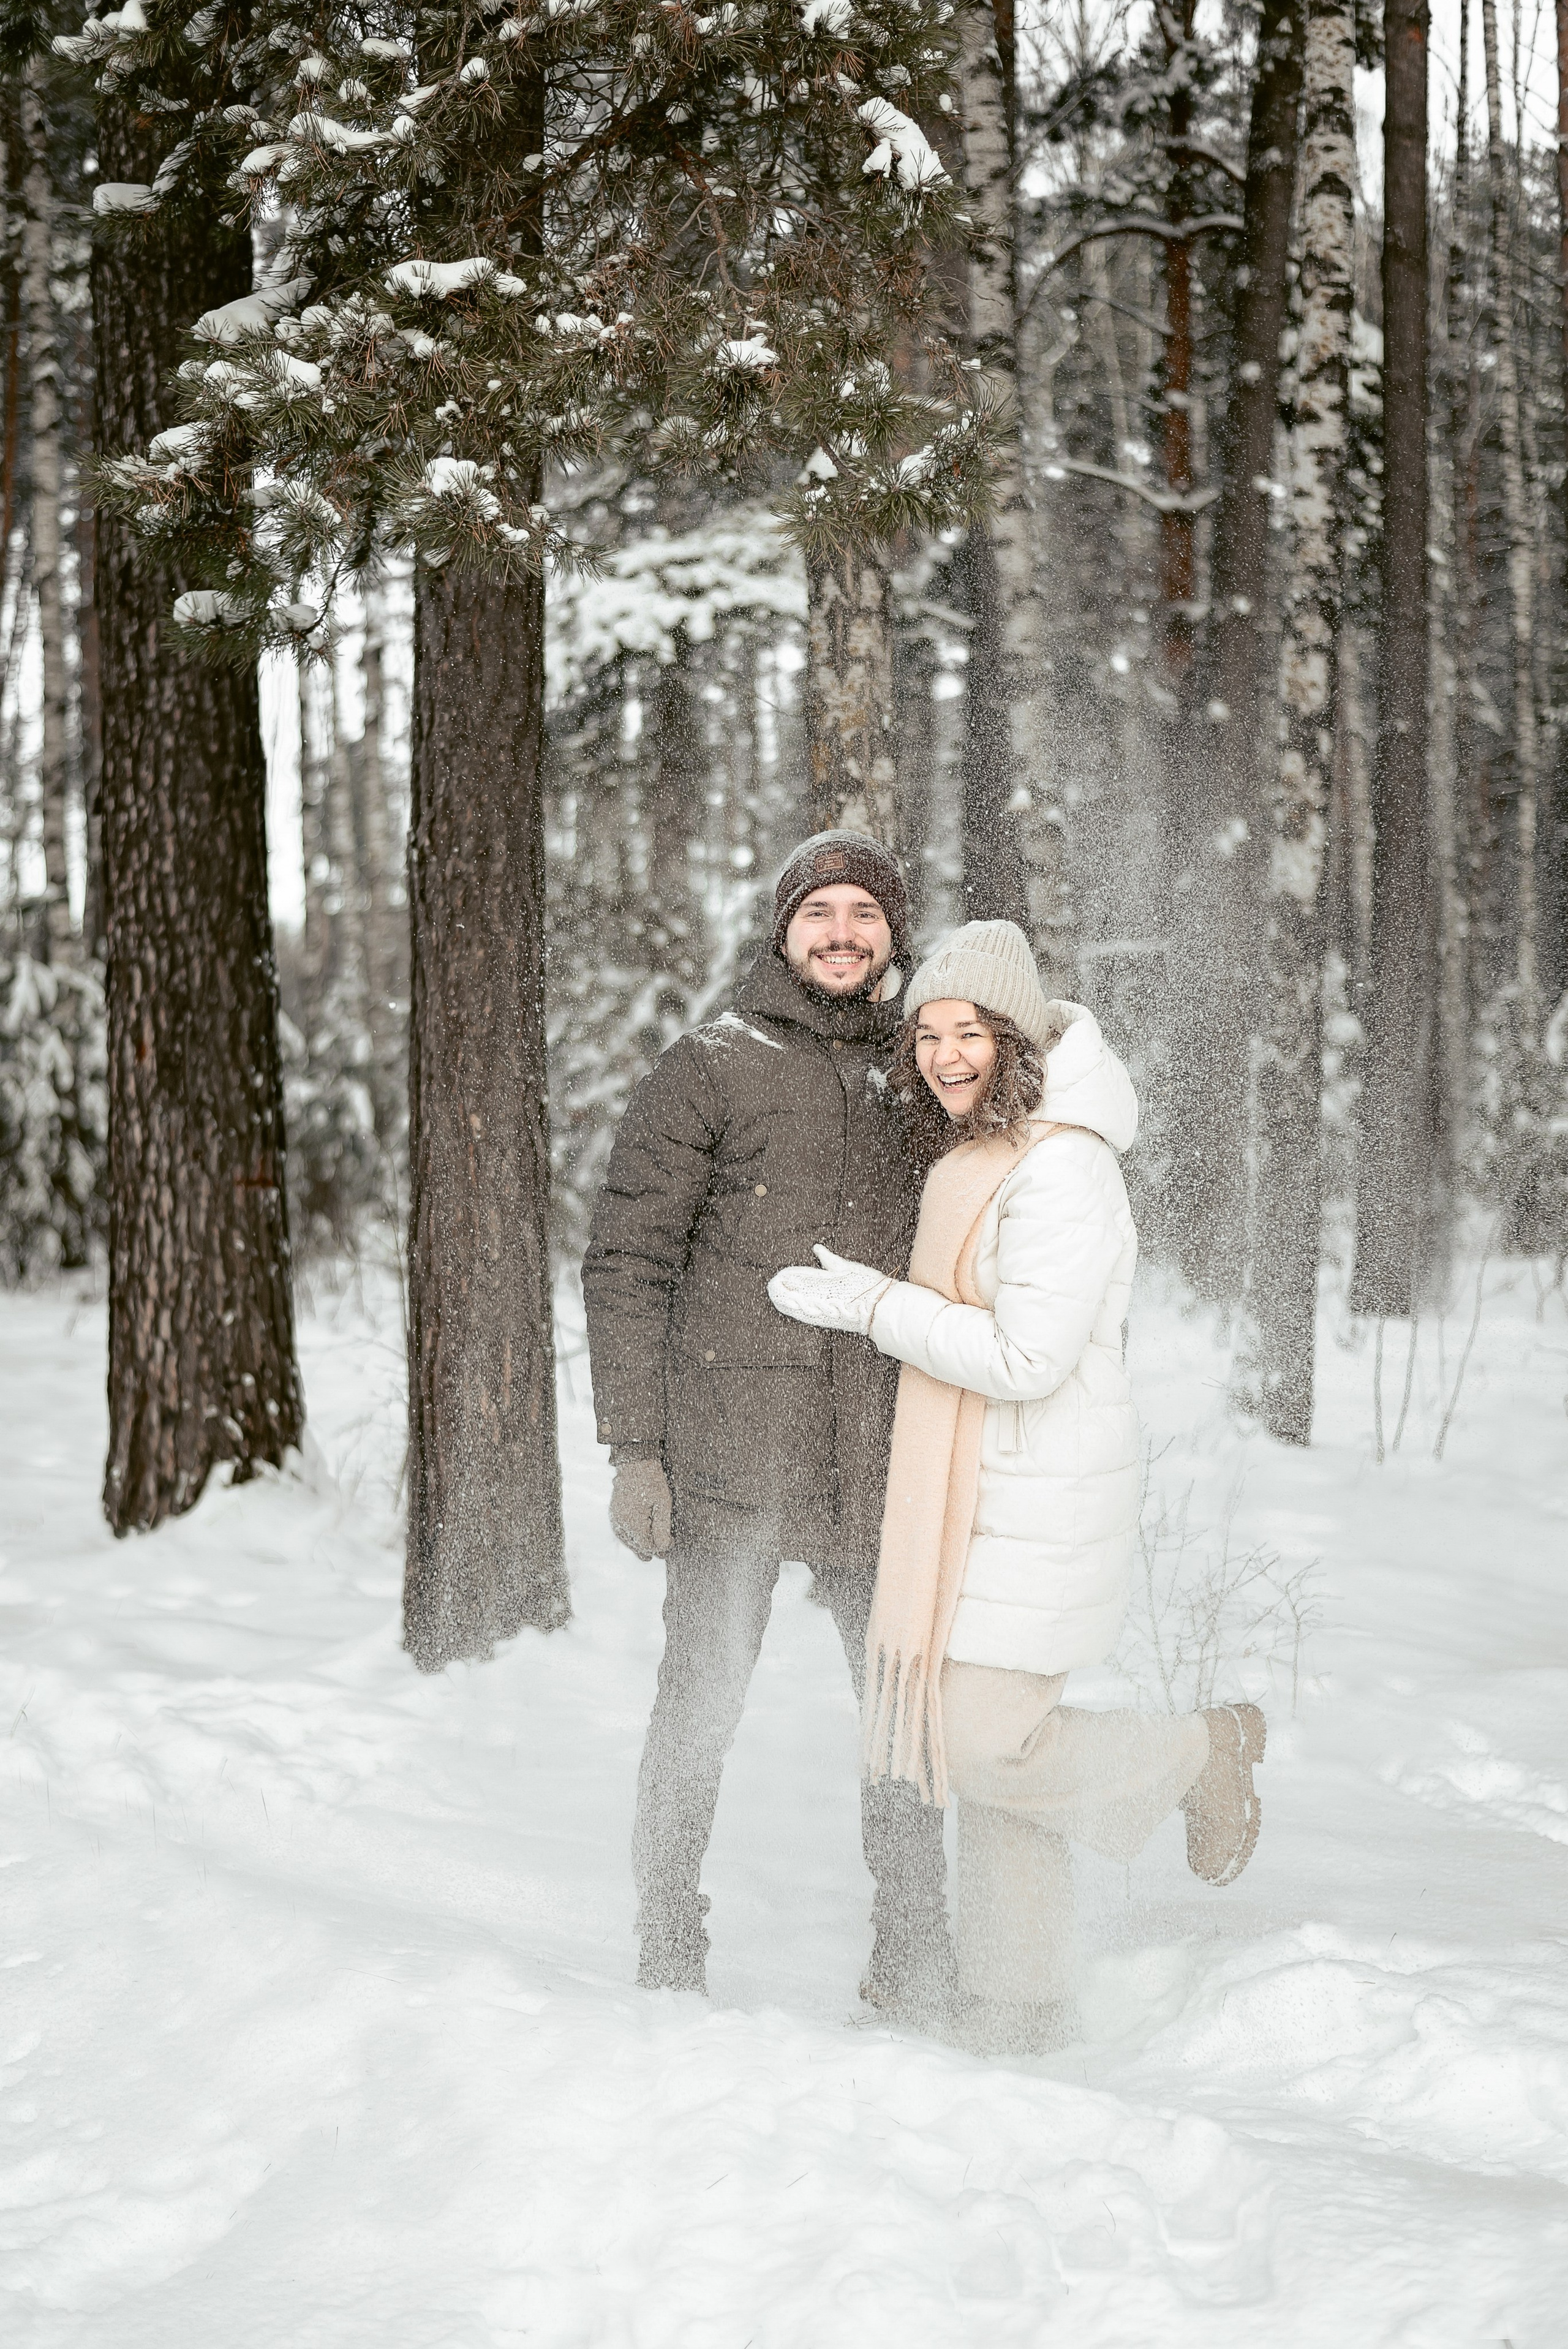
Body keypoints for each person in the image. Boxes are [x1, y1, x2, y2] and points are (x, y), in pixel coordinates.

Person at [769, 919, 1265, 2056]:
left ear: (1019, 1038)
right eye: (930, 1034)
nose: (946, 1055)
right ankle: (1022, 2004)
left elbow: (1029, 1359)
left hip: (1043, 1491)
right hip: (980, 1492)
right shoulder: (984, 1153)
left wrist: (881, 1309)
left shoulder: (1062, 1162)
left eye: (972, 1032)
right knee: (997, 1751)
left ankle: (1200, 1752)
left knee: (988, 1742)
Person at [581, 831, 952, 2011]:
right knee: (701, 1696)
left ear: (893, 933)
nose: (842, 932)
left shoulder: (927, 1073)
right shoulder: (709, 1067)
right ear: (784, 930)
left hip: (883, 1456)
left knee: (902, 1712)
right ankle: (667, 1939)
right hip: (732, 1455)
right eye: (819, 913)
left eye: (865, 914)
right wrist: (636, 1449)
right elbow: (627, 1257)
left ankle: (914, 1949)